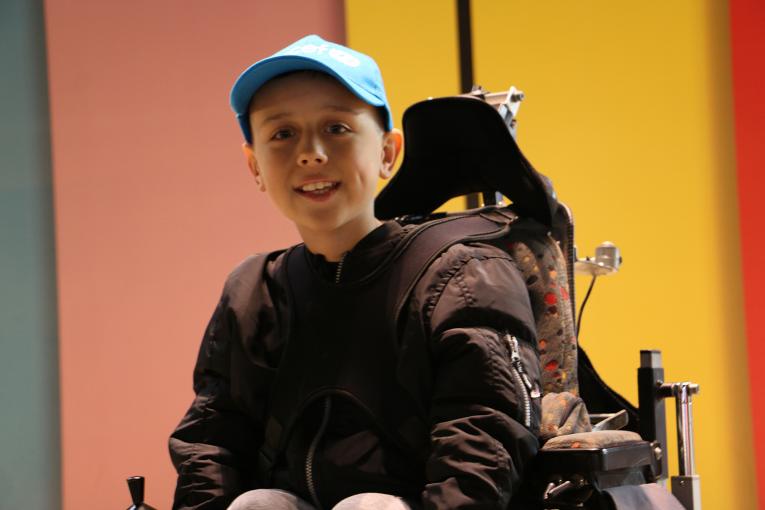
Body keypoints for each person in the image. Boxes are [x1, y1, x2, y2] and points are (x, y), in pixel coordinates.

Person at [169, 34, 541, 510]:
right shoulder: (254, 292)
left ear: (388, 152)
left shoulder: (463, 275)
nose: (311, 153)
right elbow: (212, 438)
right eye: (283, 134)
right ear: (254, 166)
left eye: (337, 128)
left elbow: (483, 439)